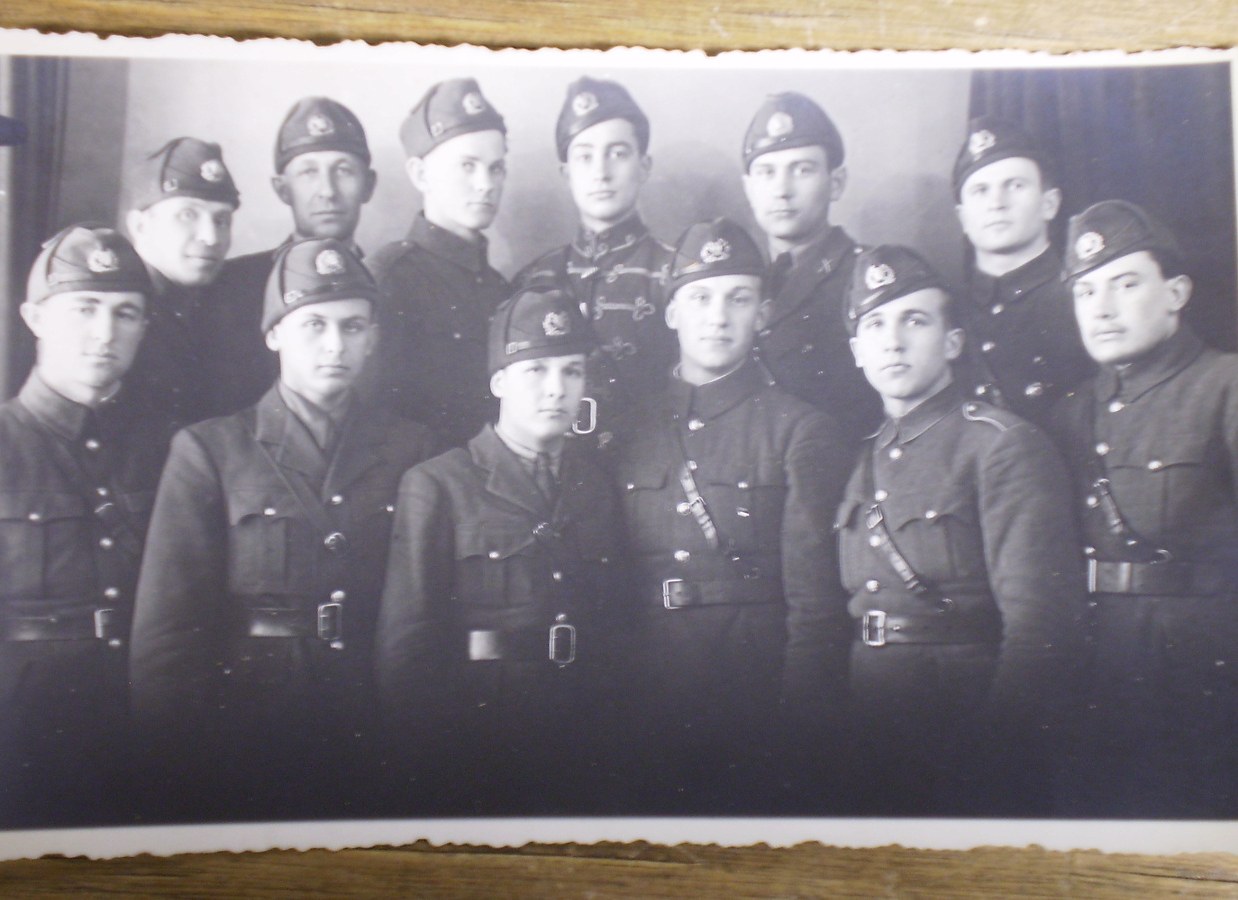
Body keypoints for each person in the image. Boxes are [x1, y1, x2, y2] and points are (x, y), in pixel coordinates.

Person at [129, 237, 434, 821]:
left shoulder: (411, 448)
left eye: (352, 327)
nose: (334, 344)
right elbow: (168, 635)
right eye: (313, 324)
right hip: (248, 721)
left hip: (371, 715)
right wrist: (179, 763)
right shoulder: (211, 450)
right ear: (273, 334)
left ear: (372, 339)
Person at [813, 244, 1086, 816]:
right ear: (856, 351)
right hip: (868, 719)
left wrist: (997, 749)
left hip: (966, 721)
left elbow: (1040, 629)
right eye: (875, 325)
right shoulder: (858, 456)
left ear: (953, 342)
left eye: (914, 320)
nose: (893, 341)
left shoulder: (1001, 446)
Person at [614, 217, 848, 813]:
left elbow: (816, 607)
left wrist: (801, 729)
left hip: (753, 695)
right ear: (671, 313)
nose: (717, 316)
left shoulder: (801, 430)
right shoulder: (627, 428)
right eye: (700, 298)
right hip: (643, 694)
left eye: (738, 298)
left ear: (763, 314)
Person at [1047, 199, 1238, 818]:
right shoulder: (1070, 414)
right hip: (1097, 667)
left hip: (1205, 671)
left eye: (1125, 284)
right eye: (1085, 291)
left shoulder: (1233, 388)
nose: (1102, 307)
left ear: (1176, 293)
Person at [375, 287, 625, 815]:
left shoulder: (595, 484)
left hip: (584, 732)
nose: (556, 389)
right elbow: (406, 649)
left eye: (572, 371)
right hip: (477, 733)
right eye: (536, 370)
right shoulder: (439, 483)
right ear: (499, 382)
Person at [0, 224, 167, 828]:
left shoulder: (168, 447)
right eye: (84, 308)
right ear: (35, 318)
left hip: (142, 719)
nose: (105, 332)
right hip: (20, 729)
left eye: (126, 313)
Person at [515, 76, 675, 452]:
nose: (601, 172)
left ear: (644, 166)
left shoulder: (677, 273)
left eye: (617, 154)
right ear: (566, 173)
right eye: (585, 157)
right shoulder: (533, 279)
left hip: (649, 467)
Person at [366, 78, 512, 447]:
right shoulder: (386, 279)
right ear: (420, 174)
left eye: (496, 168)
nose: (486, 184)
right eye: (468, 165)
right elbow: (367, 418)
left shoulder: (500, 288)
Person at [214, 97, 380, 414]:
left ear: (368, 185)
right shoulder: (232, 287)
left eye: (343, 171)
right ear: (282, 189)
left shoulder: (388, 279)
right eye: (308, 172)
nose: (327, 191)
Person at [740, 92, 878, 442]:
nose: (782, 190)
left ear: (836, 183)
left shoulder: (866, 276)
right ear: (749, 188)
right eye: (766, 172)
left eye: (802, 170)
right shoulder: (736, 280)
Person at [951, 115, 1093, 421]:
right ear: (962, 218)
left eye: (1015, 185)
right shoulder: (947, 311)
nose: (997, 203)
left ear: (1049, 204)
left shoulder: (1087, 297)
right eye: (980, 191)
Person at [121, 136, 246, 425]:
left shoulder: (231, 307)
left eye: (221, 220)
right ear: (140, 226)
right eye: (188, 215)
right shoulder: (113, 311)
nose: (211, 237)